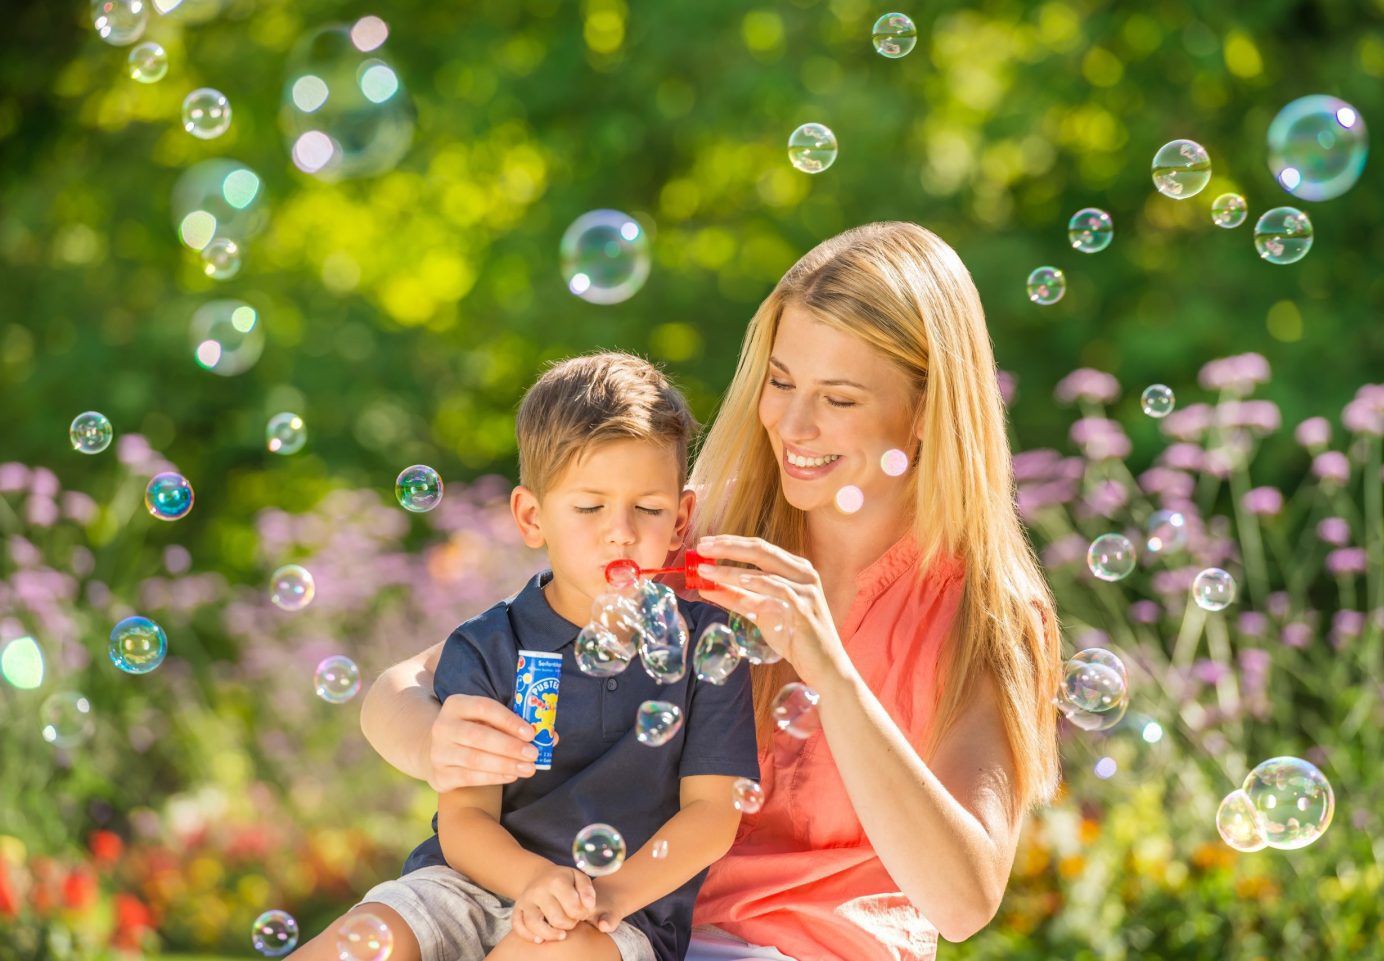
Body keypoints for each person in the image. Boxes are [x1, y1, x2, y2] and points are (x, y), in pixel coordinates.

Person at [362, 222, 1062, 961]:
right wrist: (438, 743)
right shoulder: (697, 539)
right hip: (623, 932)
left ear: (926, 411)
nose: (792, 424)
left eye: (839, 399)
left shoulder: (987, 614)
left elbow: (963, 902)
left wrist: (831, 672)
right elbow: (402, 687)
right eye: (780, 382)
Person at [296, 352, 761, 961]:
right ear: (532, 516)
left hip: (613, 911)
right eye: (589, 507)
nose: (621, 531)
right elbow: (465, 819)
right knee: (367, 939)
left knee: (560, 949)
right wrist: (532, 880)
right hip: (465, 885)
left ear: (681, 520)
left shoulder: (706, 646)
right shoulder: (490, 645)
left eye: (648, 509)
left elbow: (713, 814)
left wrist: (610, 895)